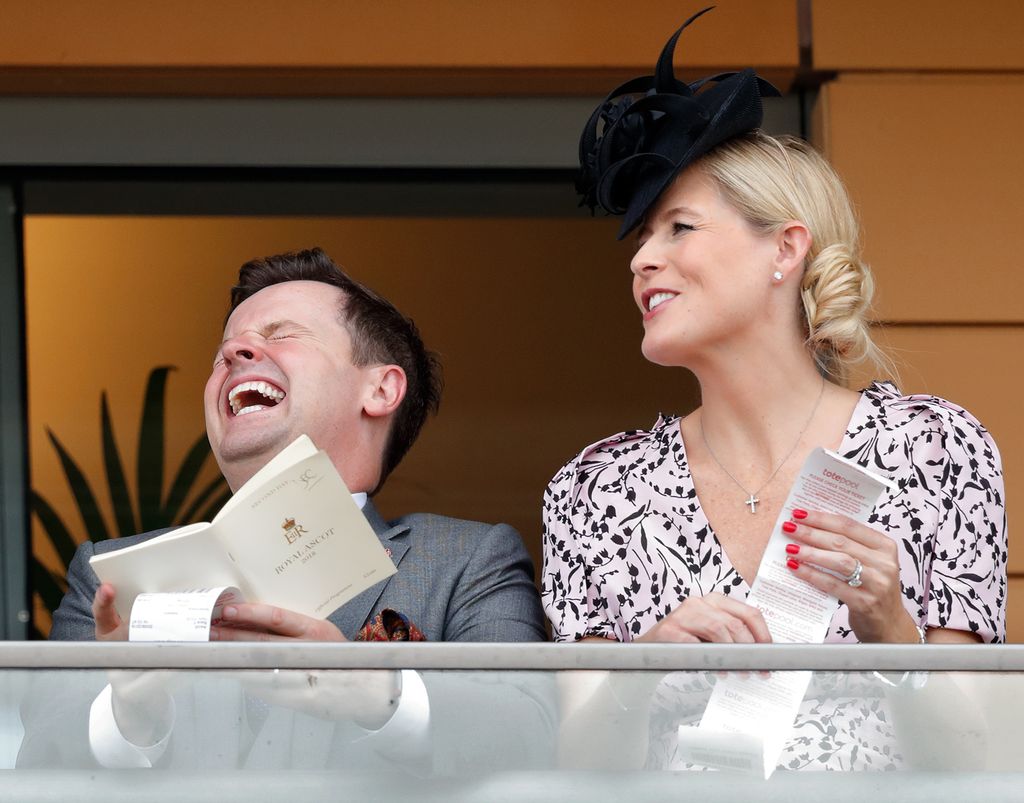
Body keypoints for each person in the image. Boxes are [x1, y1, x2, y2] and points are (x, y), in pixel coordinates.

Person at [543, 9, 1007, 770]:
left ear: (785, 249)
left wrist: (892, 630)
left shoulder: (938, 449)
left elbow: (980, 764)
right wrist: (642, 672)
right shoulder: (594, 489)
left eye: (679, 228)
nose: (640, 261)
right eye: (642, 239)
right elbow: (580, 772)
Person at [20, 247, 549, 770]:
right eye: (222, 350)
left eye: (281, 336)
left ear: (381, 389)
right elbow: (37, 764)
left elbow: (527, 738)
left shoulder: (468, 560)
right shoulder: (108, 579)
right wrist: (128, 716)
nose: (234, 354)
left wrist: (379, 695)